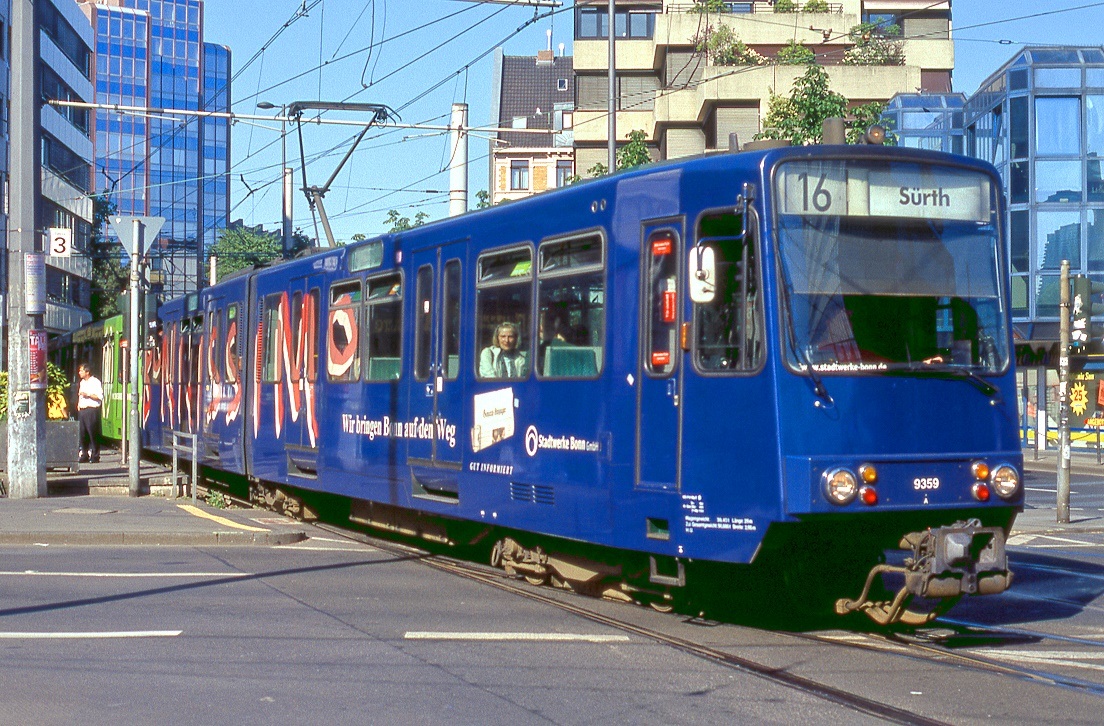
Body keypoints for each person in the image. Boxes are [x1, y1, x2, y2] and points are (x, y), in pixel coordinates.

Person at [76, 363, 103, 463]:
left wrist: (87, 395)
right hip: (83, 410)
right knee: (83, 434)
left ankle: (95, 455)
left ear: (87, 372)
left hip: (92, 410)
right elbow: (80, 395)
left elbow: (99, 397)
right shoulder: (82, 382)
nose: (79, 373)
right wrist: (79, 404)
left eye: (81, 371)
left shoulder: (95, 382)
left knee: (93, 433)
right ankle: (84, 454)